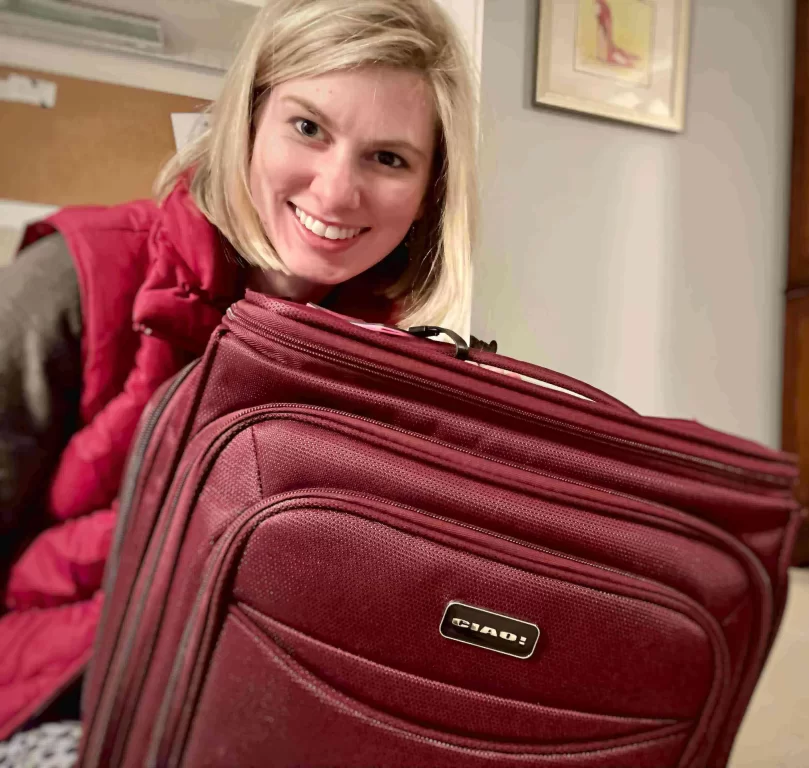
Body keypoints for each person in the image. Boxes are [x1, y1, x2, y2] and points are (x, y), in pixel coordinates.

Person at [0, 0, 478, 745]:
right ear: (246, 120)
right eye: (308, 128)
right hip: (58, 708)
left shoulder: (396, 371)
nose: (335, 190)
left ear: (427, 197)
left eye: (388, 158)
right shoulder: (72, 280)